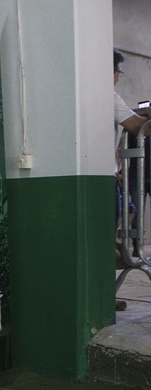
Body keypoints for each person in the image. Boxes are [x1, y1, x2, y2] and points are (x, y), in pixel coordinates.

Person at [113, 49, 151, 311]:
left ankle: (125, 256)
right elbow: (136, 126)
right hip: (110, 177)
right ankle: (124, 258)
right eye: (118, 72)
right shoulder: (105, 93)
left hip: (111, 174)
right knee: (106, 237)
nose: (119, 77)